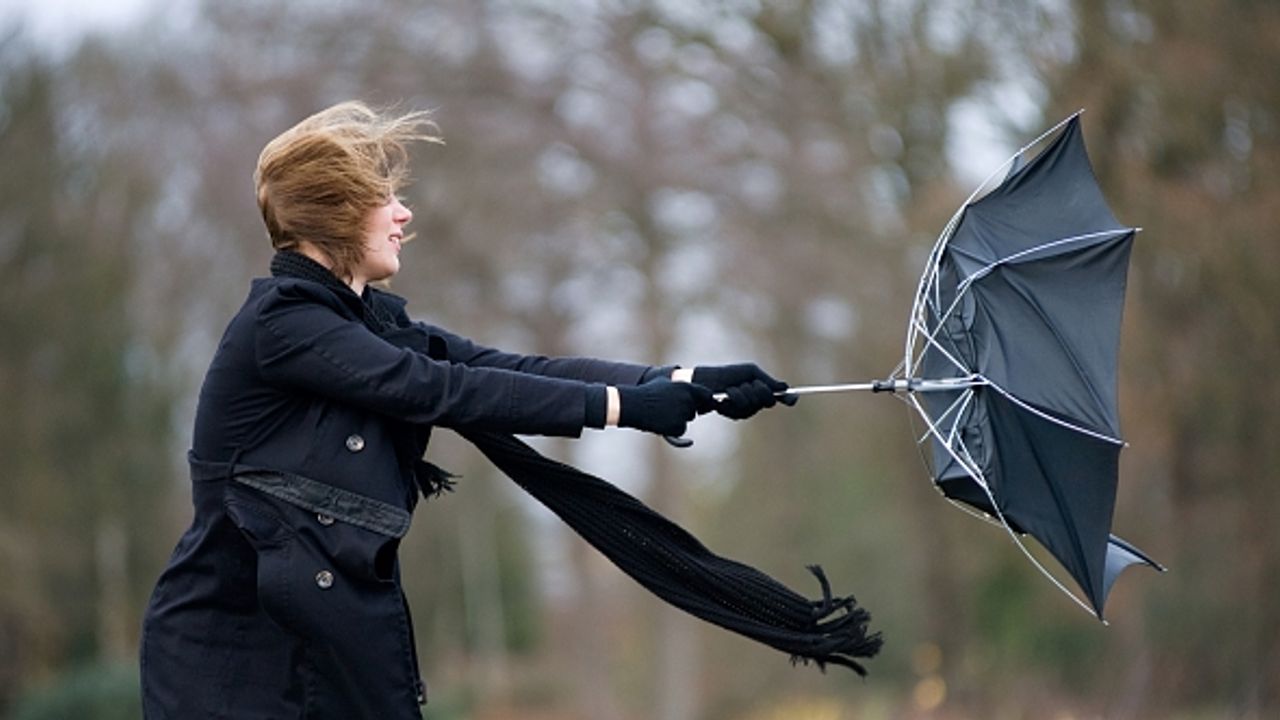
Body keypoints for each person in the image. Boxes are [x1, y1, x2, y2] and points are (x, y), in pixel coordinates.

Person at [139, 101, 793, 719]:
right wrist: (625, 408)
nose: (403, 214)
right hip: (236, 667)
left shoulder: (365, 322)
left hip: (320, 650)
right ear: (335, 214)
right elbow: (436, 388)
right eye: (383, 199)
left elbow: (503, 369)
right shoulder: (282, 324)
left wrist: (680, 381)